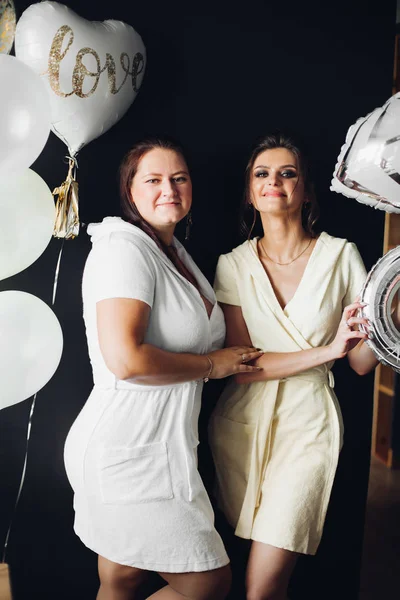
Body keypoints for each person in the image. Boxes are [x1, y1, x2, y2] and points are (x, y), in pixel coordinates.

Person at [63, 136, 264, 600]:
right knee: (209, 584)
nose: (168, 189)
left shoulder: (174, 253)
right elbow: (127, 359)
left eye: (179, 178)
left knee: (122, 579)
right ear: (129, 190)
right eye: (152, 180)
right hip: (128, 447)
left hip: (160, 443)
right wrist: (212, 365)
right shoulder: (124, 249)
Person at [208, 132, 379, 600]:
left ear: (305, 190)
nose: (274, 182)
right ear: (250, 191)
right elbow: (243, 366)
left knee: (262, 587)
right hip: (242, 423)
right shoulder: (233, 265)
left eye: (288, 173)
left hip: (309, 426)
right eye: (262, 174)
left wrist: (386, 321)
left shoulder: (341, 256)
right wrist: (329, 350)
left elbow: (362, 364)